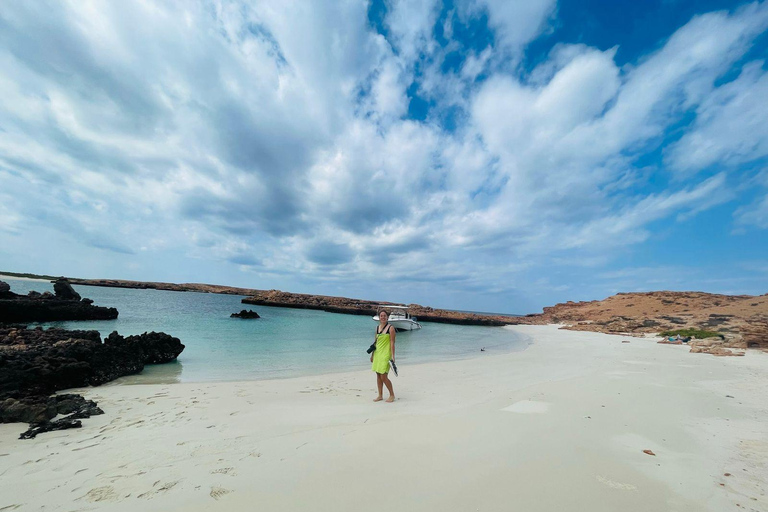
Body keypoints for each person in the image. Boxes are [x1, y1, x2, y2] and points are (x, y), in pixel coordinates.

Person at [371, 309, 396, 402]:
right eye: (381, 316)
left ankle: (392, 395)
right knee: (378, 375)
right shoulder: (377, 328)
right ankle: (380, 395)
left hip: (386, 354)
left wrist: (393, 356)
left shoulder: (391, 328)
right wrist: (372, 355)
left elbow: (392, 343)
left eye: (384, 316)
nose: (383, 317)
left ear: (387, 317)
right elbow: (375, 343)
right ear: (379, 317)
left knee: (384, 377)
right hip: (377, 354)